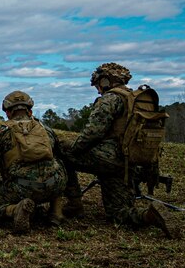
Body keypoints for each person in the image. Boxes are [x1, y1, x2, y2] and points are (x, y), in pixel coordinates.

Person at [61, 63, 173, 237]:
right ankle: (149, 216)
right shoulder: (135, 99)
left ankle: (74, 204)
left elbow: (93, 133)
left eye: (98, 84)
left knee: (61, 149)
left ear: (106, 81)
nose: (98, 89)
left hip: (108, 159)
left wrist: (74, 150)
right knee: (118, 212)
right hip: (128, 163)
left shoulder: (109, 99)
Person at [0, 91, 67, 234]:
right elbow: (59, 156)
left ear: (8, 113)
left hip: (23, 189)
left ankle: (15, 210)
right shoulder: (46, 130)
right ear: (30, 111)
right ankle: (56, 212)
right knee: (59, 164)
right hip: (55, 185)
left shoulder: (0, 134)